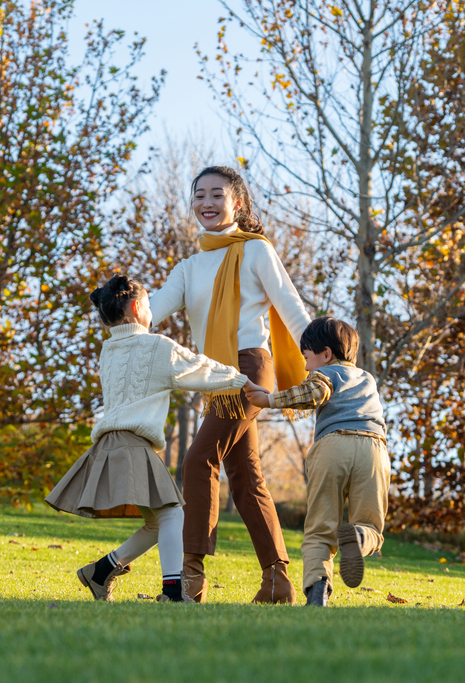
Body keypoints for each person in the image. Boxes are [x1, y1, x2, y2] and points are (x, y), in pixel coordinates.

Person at [149, 165, 312, 604]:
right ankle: (277, 581)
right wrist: (121, 306)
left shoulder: (256, 251)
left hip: (248, 370)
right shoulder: (189, 267)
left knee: (198, 460)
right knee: (245, 477)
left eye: (217, 194)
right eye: (199, 194)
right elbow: (153, 310)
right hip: (214, 376)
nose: (206, 202)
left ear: (237, 202)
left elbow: (292, 309)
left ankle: (190, 578)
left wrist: (328, 358)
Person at [46, 274, 249, 603]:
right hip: (132, 444)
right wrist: (242, 380)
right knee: (172, 514)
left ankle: (100, 572)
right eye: (151, 305)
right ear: (138, 307)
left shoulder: (108, 350)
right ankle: (173, 591)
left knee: (158, 522)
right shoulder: (158, 347)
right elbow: (199, 369)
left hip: (111, 445)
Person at [244, 316, 390, 607]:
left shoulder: (326, 374)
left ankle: (317, 594)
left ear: (326, 354)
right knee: (372, 526)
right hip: (374, 450)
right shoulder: (367, 378)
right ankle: (359, 539)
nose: (306, 367)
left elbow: (315, 392)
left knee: (320, 529)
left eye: (307, 359)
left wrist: (269, 400)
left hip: (332, 446)